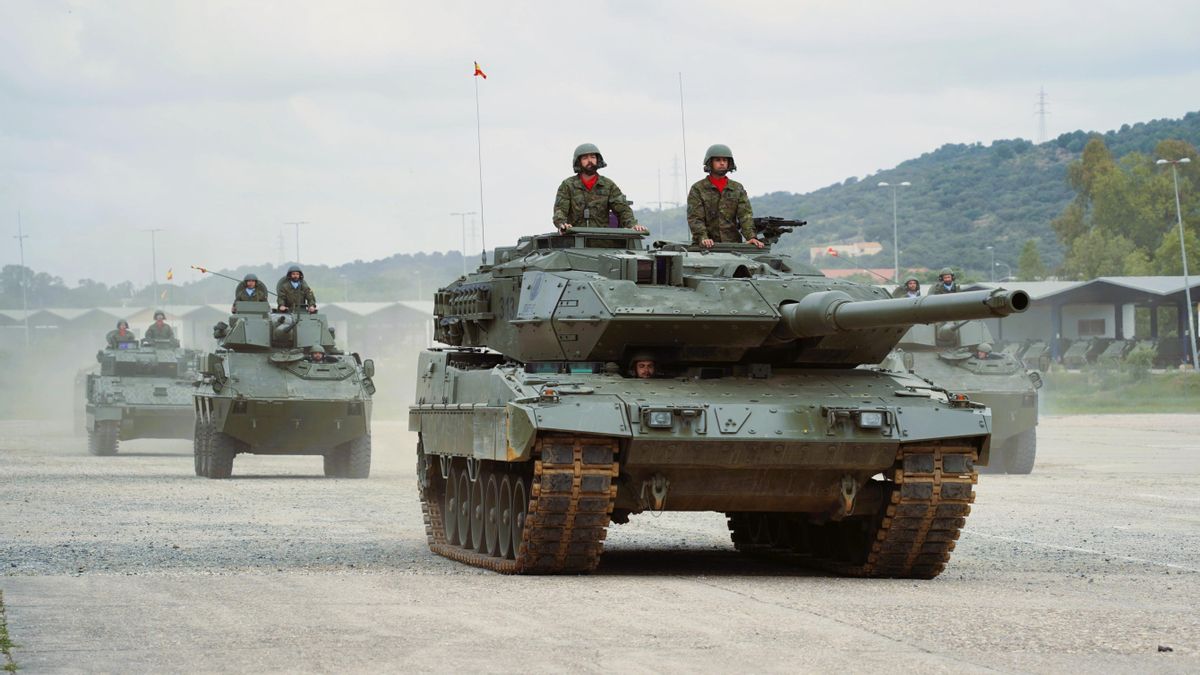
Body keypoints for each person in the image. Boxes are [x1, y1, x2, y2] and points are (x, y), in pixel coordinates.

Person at [552, 143, 647, 232]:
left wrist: (632, 225)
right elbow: (560, 210)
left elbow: (623, 209)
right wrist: (562, 224)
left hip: (601, 239)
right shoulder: (568, 185)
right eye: (585, 158)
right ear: (579, 162)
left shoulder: (608, 185)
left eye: (593, 157)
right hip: (575, 238)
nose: (590, 161)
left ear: (597, 160)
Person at [687, 144, 762, 249]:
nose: (722, 163)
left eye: (725, 160)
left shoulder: (737, 188)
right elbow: (695, 217)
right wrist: (703, 237)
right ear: (710, 162)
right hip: (705, 246)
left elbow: (745, 216)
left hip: (732, 245)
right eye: (718, 160)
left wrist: (751, 237)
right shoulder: (698, 188)